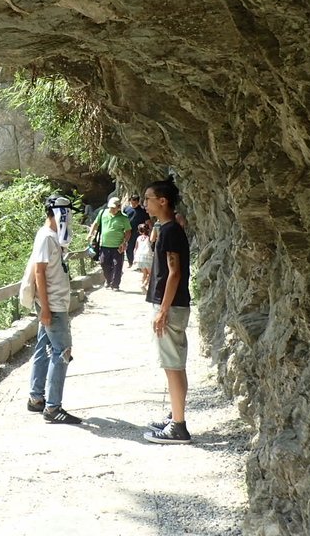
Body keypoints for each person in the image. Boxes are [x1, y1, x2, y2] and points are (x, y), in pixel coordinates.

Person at [142, 178, 192, 444]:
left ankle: (179, 426)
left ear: (163, 201)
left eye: (148, 198)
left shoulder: (171, 230)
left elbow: (174, 273)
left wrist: (162, 310)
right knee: (176, 365)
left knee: (172, 366)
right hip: (174, 304)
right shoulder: (166, 228)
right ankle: (176, 416)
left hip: (170, 306)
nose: (145, 202)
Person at [26, 195, 82, 424]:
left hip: (54, 304)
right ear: (61, 214)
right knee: (62, 352)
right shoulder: (47, 237)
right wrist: (46, 309)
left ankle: (36, 398)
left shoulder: (52, 237)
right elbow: (39, 271)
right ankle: (53, 407)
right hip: (54, 306)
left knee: (43, 348)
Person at [87, 197, 132, 290]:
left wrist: (124, 243)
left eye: (114, 207)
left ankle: (115, 285)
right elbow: (95, 224)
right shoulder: (102, 213)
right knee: (104, 263)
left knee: (117, 265)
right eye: (110, 207)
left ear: (119, 207)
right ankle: (108, 280)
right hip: (104, 245)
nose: (111, 209)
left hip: (117, 246)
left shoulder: (124, 217)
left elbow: (128, 231)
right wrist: (90, 234)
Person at [124, 194, 149, 266]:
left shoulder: (142, 210)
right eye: (132, 202)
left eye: (135, 203)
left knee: (139, 248)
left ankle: (138, 263)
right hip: (129, 231)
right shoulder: (126, 209)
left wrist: (149, 230)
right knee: (129, 248)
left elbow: (147, 220)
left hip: (139, 232)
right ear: (130, 201)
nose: (133, 204)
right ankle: (130, 263)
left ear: (138, 202)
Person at [134, 222, 153, 291]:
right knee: (151, 274)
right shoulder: (149, 238)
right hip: (147, 256)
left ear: (139, 231)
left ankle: (143, 288)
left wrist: (135, 258)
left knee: (144, 273)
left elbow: (136, 248)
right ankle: (144, 285)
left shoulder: (138, 238)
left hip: (139, 257)